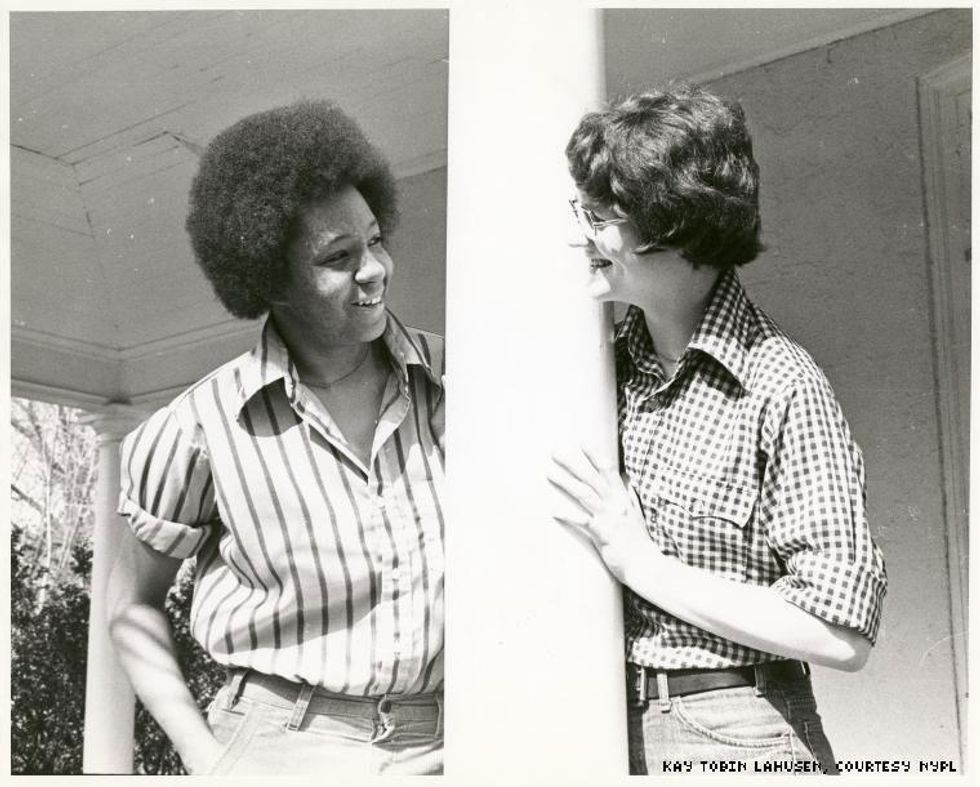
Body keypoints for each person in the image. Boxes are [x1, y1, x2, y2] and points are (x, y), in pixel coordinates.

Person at [548, 84, 886, 775]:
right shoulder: (606, 367)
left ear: (681, 231)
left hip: (736, 733)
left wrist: (642, 563)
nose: (581, 233)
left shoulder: (780, 382)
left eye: (603, 216)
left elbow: (844, 632)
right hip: (607, 723)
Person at [107, 100, 445, 776]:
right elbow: (130, 607)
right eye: (339, 257)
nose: (375, 269)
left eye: (375, 240)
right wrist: (210, 758)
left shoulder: (464, 381)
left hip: (457, 739)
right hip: (281, 747)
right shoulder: (198, 428)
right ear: (271, 278)